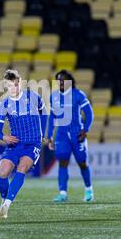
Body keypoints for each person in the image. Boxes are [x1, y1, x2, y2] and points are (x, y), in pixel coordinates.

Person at [0, 70, 48, 219]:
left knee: (22, 168)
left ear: (20, 83)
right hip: (15, 143)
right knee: (3, 172)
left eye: (17, 85)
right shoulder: (3, 104)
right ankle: (4, 198)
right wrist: (5, 137)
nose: (15, 88)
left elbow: (44, 113)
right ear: (6, 87)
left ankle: (6, 206)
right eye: (11, 86)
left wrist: (42, 133)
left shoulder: (33, 97)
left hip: (33, 143)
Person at [47, 70, 94, 203]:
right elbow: (52, 117)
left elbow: (89, 114)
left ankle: (88, 189)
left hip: (77, 133)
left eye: (63, 79)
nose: (60, 82)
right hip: (61, 135)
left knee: (82, 163)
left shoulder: (78, 95)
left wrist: (85, 130)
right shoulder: (53, 96)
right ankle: (63, 193)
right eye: (58, 80)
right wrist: (49, 135)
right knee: (62, 162)